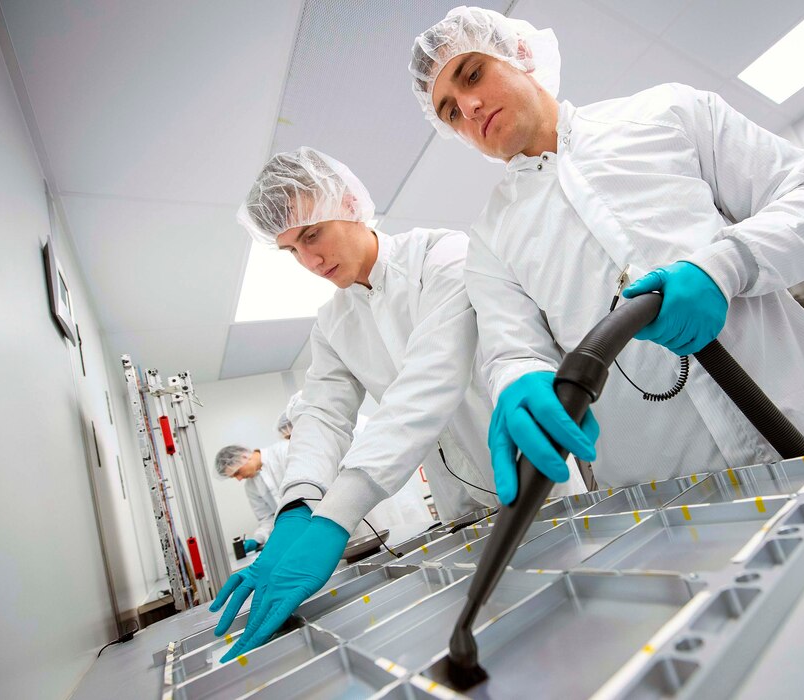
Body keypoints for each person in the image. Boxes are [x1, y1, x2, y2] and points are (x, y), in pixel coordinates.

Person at [408, 7, 804, 505]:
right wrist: (519, 381)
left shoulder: (667, 113)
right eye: (450, 111)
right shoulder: (491, 240)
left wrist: (726, 266)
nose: (469, 107)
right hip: (687, 507)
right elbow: (514, 351)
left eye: (472, 74)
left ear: (519, 52)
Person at [212, 147, 583, 661]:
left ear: (348, 202)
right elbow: (321, 415)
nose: (310, 262)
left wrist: (335, 517)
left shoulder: (442, 256)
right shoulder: (333, 323)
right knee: (506, 642)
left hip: (532, 475)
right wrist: (297, 507)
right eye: (291, 250)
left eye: (313, 234)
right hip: (460, 508)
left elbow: (428, 383)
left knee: (577, 617)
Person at [213, 443, 287, 553]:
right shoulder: (251, 487)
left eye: (237, 472)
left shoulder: (282, 452)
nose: (239, 479)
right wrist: (257, 539)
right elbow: (267, 519)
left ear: (243, 457)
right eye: (234, 477)